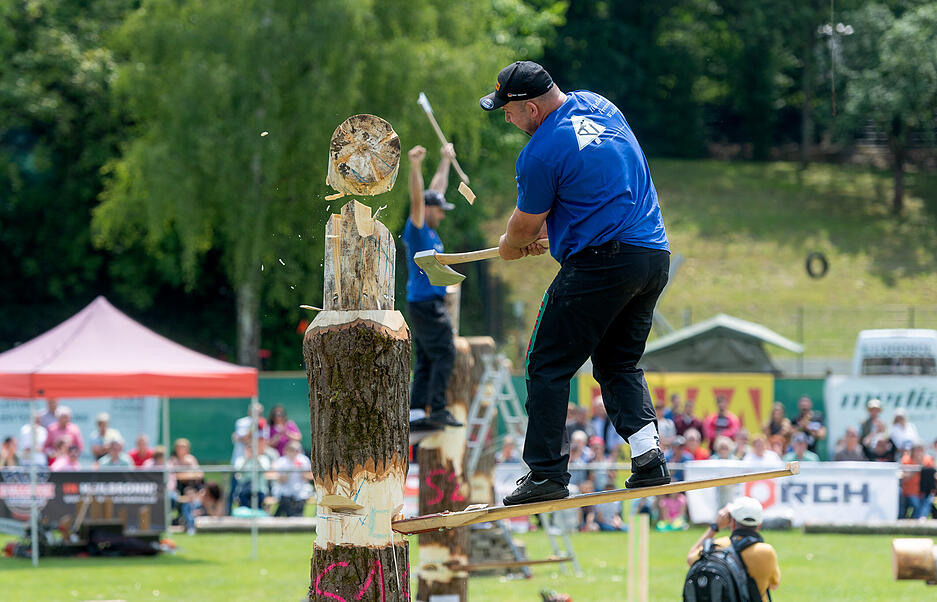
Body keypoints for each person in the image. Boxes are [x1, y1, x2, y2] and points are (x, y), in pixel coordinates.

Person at [483, 61, 671, 505]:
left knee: (546, 364)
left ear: (529, 108)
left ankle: (546, 474)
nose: (506, 119)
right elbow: (603, 183)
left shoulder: (539, 153)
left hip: (601, 263)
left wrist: (512, 245)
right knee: (618, 364)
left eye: (507, 112)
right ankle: (648, 460)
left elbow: (524, 229)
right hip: (651, 255)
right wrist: (562, 230)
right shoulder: (598, 104)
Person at [403, 142, 462, 431]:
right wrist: (415, 167)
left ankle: (416, 415)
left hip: (425, 302)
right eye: (439, 210)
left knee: (427, 357)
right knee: (445, 352)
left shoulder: (431, 231)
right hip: (426, 302)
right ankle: (437, 408)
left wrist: (445, 161)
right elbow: (419, 198)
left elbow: (436, 189)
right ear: (428, 210)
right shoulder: (417, 230)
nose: (442, 215)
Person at [686, 497, 781, 601]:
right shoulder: (766, 551)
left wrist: (715, 527)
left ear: (733, 523)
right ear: (759, 525)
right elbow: (774, 585)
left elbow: (690, 558)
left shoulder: (716, 545)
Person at [271, 441, 314, 517]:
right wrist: (289, 471)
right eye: (292, 450)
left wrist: (301, 470)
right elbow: (280, 480)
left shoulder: (304, 460)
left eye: (297, 450)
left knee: (298, 507)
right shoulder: (281, 461)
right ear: (287, 450)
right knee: (285, 503)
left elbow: (309, 477)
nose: (295, 452)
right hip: (284, 491)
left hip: (300, 491)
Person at [899, 444, 935, 519]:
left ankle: (921, 519)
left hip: (925, 491)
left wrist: (921, 464)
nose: (919, 452)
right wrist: (916, 468)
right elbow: (903, 478)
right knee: (916, 505)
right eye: (917, 450)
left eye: (921, 450)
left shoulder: (928, 459)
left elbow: (932, 474)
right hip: (910, 491)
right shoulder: (906, 460)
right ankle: (916, 520)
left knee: (928, 501)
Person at [589, 395, 626, 461]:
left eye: (602, 406)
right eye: (598, 407)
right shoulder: (592, 421)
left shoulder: (614, 421)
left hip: (613, 454)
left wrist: (611, 457)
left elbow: (619, 440)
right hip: (596, 455)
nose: (600, 409)